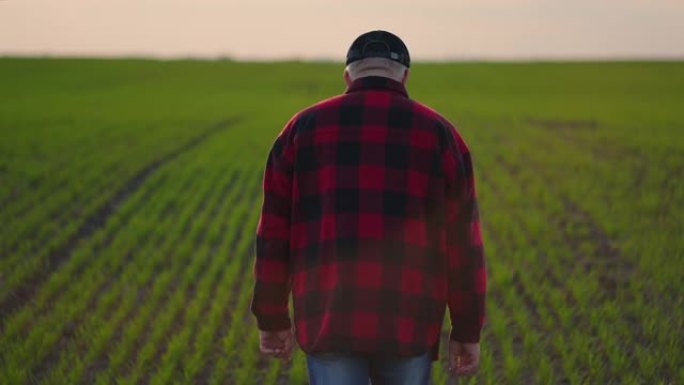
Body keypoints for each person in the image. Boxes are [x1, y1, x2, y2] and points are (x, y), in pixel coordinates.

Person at [250, 30, 487, 385]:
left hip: (328, 317)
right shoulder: (440, 135)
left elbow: (273, 236)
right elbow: (463, 246)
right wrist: (466, 330)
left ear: (348, 75)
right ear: (405, 76)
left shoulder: (301, 130)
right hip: (409, 322)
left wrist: (272, 318)